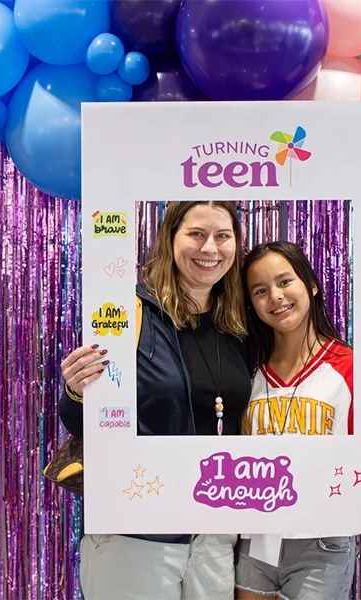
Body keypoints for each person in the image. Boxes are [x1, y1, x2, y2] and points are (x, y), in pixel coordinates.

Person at [58, 201, 253, 600]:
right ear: (170, 238)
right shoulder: (128, 313)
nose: (210, 248)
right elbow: (84, 421)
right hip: (136, 534)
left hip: (214, 535)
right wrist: (76, 390)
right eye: (196, 234)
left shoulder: (239, 324)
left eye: (222, 236)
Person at [235, 241, 361, 600]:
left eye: (284, 281)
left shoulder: (351, 367)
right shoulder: (245, 369)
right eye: (260, 290)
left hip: (321, 540)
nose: (275, 296)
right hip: (255, 537)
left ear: (311, 285)